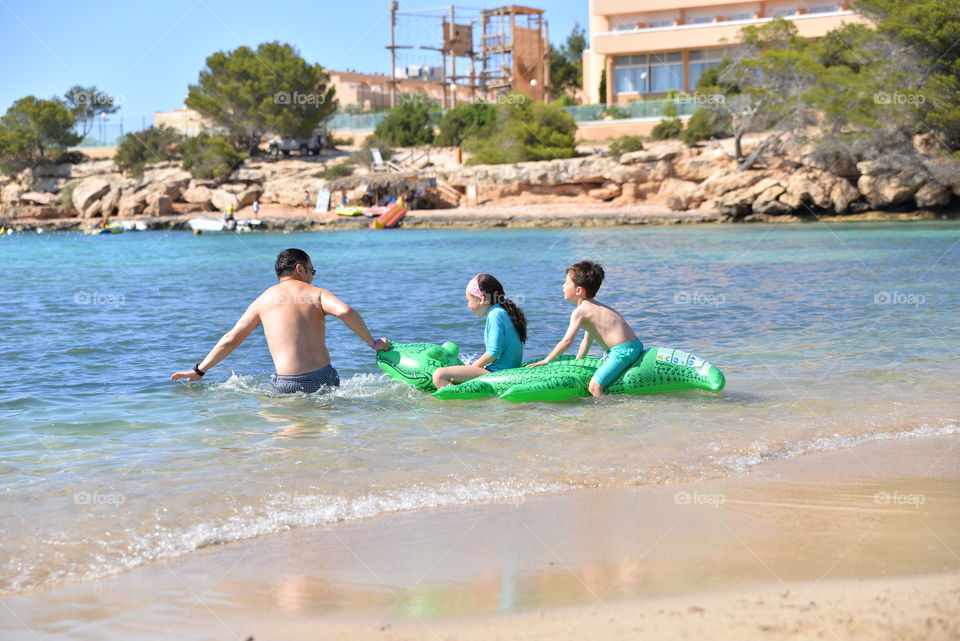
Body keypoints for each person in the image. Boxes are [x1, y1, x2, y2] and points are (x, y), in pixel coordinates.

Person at [170, 248, 389, 393]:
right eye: (312, 270)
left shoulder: (263, 300)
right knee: (323, 435)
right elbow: (345, 311)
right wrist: (372, 342)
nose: (312, 276)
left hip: (285, 383)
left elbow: (231, 339)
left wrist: (199, 370)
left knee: (287, 439)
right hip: (322, 378)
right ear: (300, 269)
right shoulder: (316, 293)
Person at [527, 261, 642, 397]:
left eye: (566, 283)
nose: (563, 286)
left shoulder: (581, 311)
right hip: (630, 347)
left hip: (622, 352)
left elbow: (567, 341)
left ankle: (606, 413)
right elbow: (587, 340)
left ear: (578, 290)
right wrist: (578, 362)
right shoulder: (594, 307)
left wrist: (547, 360)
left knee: (594, 387)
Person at [433, 273, 527, 389]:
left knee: (439, 375)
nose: (468, 305)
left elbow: (493, 353)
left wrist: (473, 367)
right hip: (505, 369)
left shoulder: (495, 314)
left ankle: (456, 403)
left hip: (498, 373)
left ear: (482, 299)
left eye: (469, 300)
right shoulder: (503, 311)